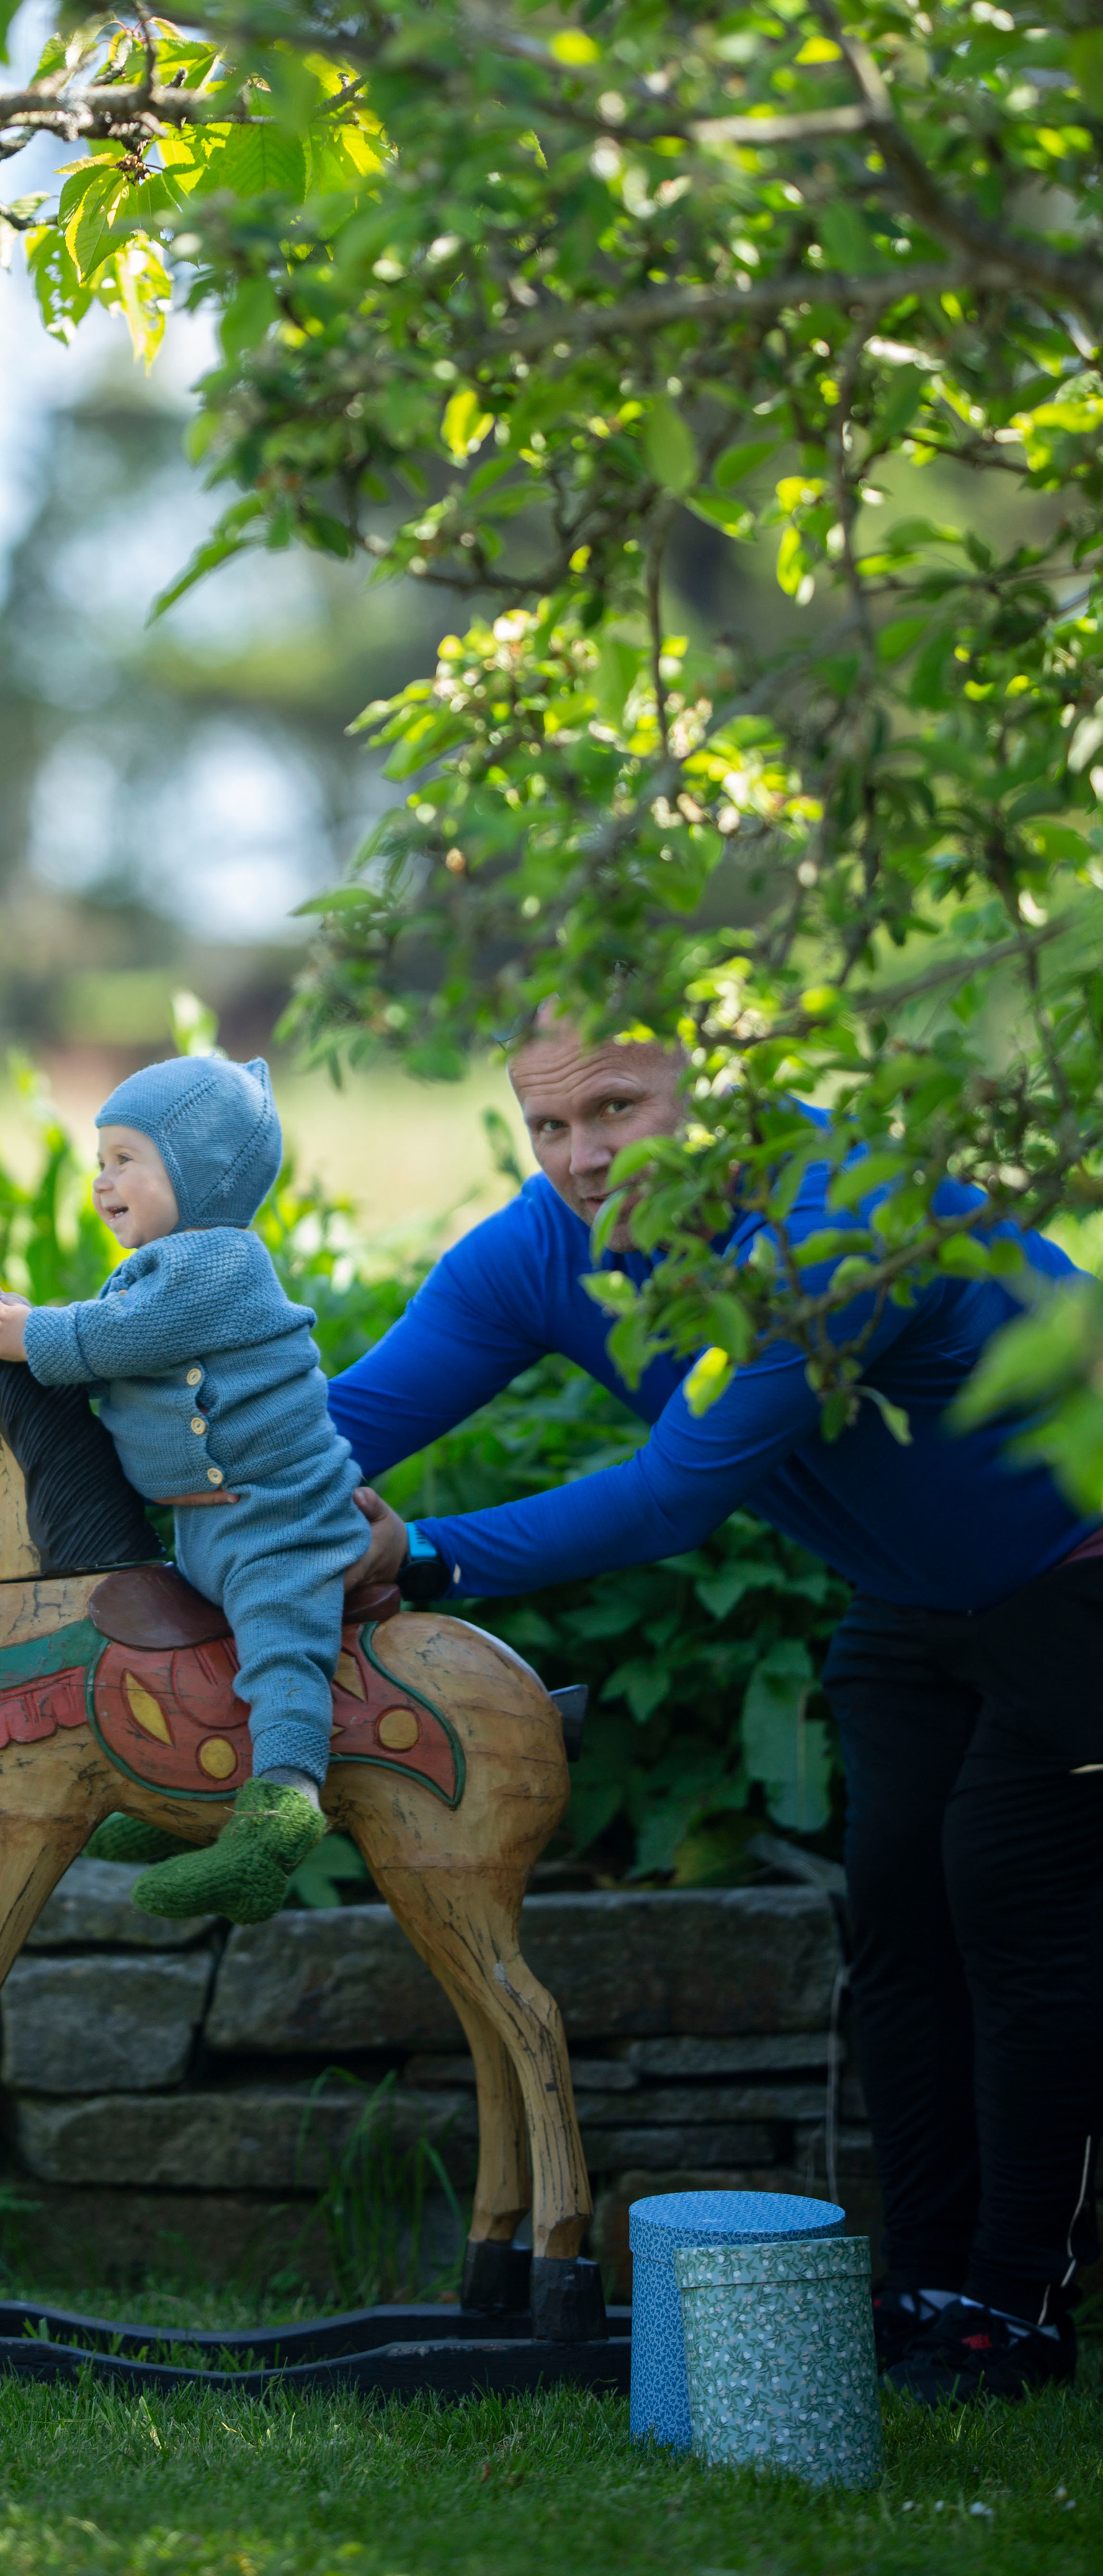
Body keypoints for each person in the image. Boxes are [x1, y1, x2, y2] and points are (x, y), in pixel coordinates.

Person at [329, 1018, 1103, 2406]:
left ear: (725, 1081)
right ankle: (926, 2280)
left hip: (1087, 1568)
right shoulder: (541, 1252)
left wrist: (422, 1556)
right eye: (548, 1126)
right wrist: (111, 1421)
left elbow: (677, 1494)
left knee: (1013, 1903)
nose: (579, 1158)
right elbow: (347, 1424)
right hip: (917, 1601)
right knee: (900, 1915)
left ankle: (1016, 2305)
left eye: (617, 1108)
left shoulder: (843, 1214)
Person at [0, 1052, 367, 1927]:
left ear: (201, 1171)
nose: (103, 1184)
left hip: (279, 1520)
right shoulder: (147, 1272)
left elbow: (123, 1337)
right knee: (185, 1653)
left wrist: (33, 1332)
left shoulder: (220, 1264)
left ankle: (278, 1817)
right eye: (99, 1161)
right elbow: (114, 1357)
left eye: (126, 1160)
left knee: (278, 1647)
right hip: (203, 1527)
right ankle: (196, 1797)